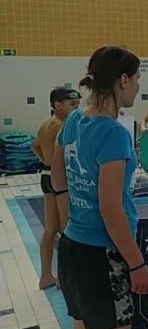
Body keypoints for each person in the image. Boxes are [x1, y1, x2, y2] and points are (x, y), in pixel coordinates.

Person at [50, 46, 148, 329]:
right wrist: (137, 264)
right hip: (102, 257)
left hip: (73, 247)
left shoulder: (75, 120)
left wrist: (73, 222)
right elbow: (111, 209)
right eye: (137, 78)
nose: (138, 86)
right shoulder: (112, 133)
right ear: (122, 80)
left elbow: (57, 177)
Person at [31, 87, 81, 289]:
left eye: (78, 105)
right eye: (72, 105)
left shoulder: (46, 124)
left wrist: (46, 161)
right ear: (57, 105)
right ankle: (63, 277)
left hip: (46, 175)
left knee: (50, 229)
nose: (77, 109)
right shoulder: (62, 126)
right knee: (67, 228)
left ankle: (46, 276)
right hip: (59, 180)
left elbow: (34, 145)